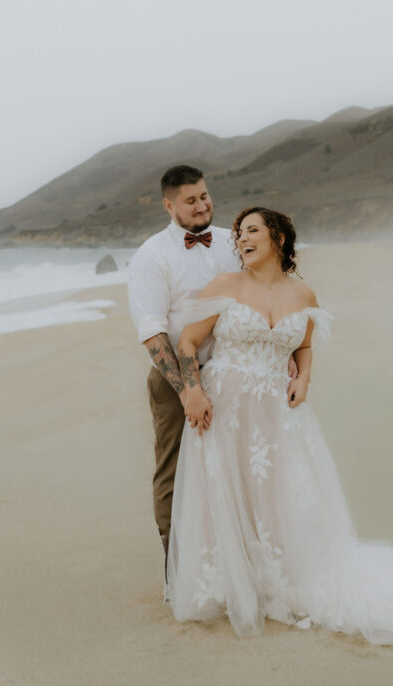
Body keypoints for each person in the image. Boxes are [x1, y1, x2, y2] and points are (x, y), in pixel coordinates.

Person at [166, 207, 393, 645]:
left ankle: (276, 579)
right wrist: (194, 391)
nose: (242, 239)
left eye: (253, 231)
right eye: (239, 233)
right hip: (223, 406)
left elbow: (303, 344)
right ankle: (231, 583)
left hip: (277, 413)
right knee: (227, 488)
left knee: (276, 490)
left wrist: (303, 378)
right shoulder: (228, 285)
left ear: (278, 238)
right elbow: (188, 341)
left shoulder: (304, 295)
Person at [127, 165, 241, 568]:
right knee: (175, 467)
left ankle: (234, 559)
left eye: (205, 196)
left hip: (235, 372)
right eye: (190, 200)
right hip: (175, 378)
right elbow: (153, 333)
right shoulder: (152, 256)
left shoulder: (234, 241)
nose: (201, 205)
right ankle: (176, 570)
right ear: (168, 204)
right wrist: (188, 390)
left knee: (237, 462)